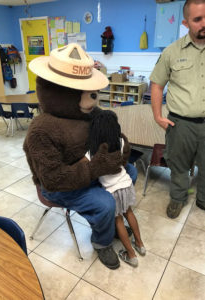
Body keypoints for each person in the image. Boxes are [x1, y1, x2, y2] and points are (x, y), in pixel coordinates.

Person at [23, 43, 138, 270]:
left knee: (131, 171)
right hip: (61, 185)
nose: (92, 98)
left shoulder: (90, 113)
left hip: (89, 170)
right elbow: (53, 179)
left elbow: (107, 136)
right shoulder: (41, 130)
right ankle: (101, 241)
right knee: (104, 203)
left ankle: (113, 219)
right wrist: (95, 168)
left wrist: (119, 145)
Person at [150, 0, 205, 219]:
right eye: (197, 19)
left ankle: (203, 199)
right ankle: (178, 198)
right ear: (185, 22)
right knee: (179, 167)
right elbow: (157, 84)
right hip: (181, 124)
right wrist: (157, 116)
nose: (204, 23)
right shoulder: (172, 52)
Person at [85, 110, 146, 267]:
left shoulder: (92, 151)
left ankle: (131, 255)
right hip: (126, 184)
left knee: (117, 220)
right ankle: (140, 244)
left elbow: (88, 170)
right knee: (129, 212)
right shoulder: (120, 141)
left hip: (112, 190)